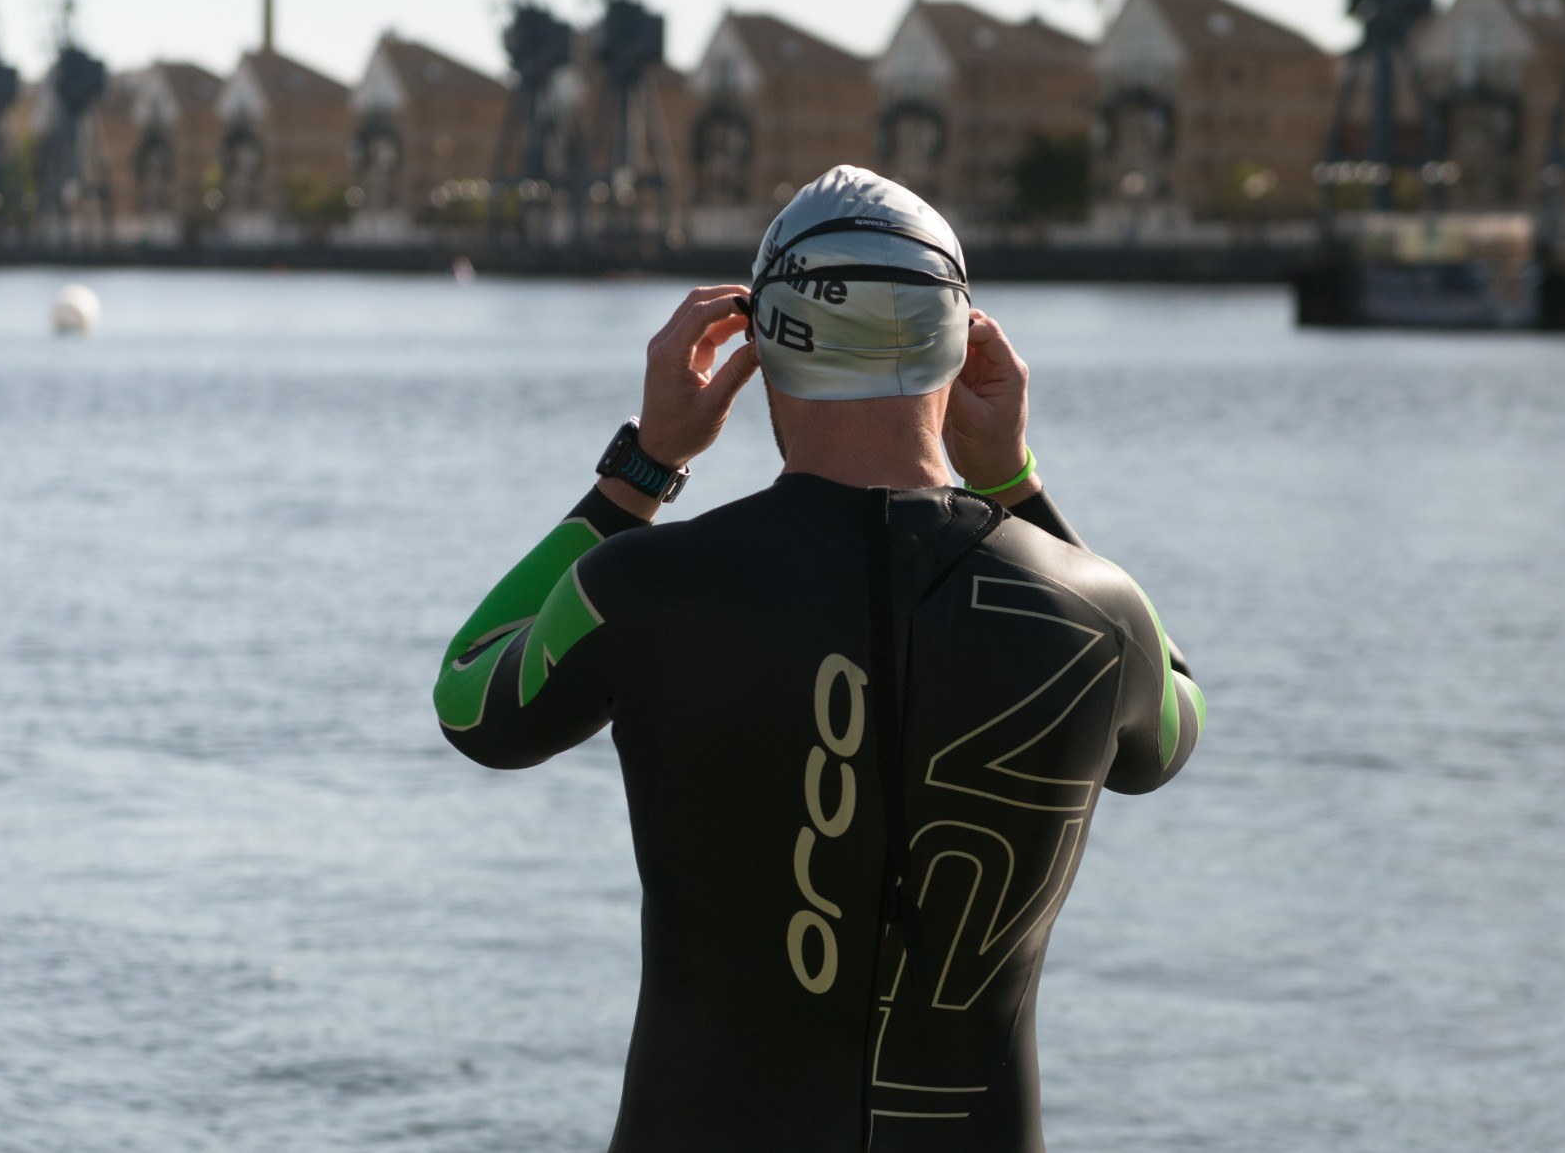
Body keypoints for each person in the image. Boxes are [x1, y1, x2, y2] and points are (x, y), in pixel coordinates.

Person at [432, 166, 1204, 1152]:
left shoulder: (645, 588)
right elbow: (1171, 722)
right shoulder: (1096, 616)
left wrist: (642, 468)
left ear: (758, 352)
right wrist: (1012, 483)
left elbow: (471, 701)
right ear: (965, 348)